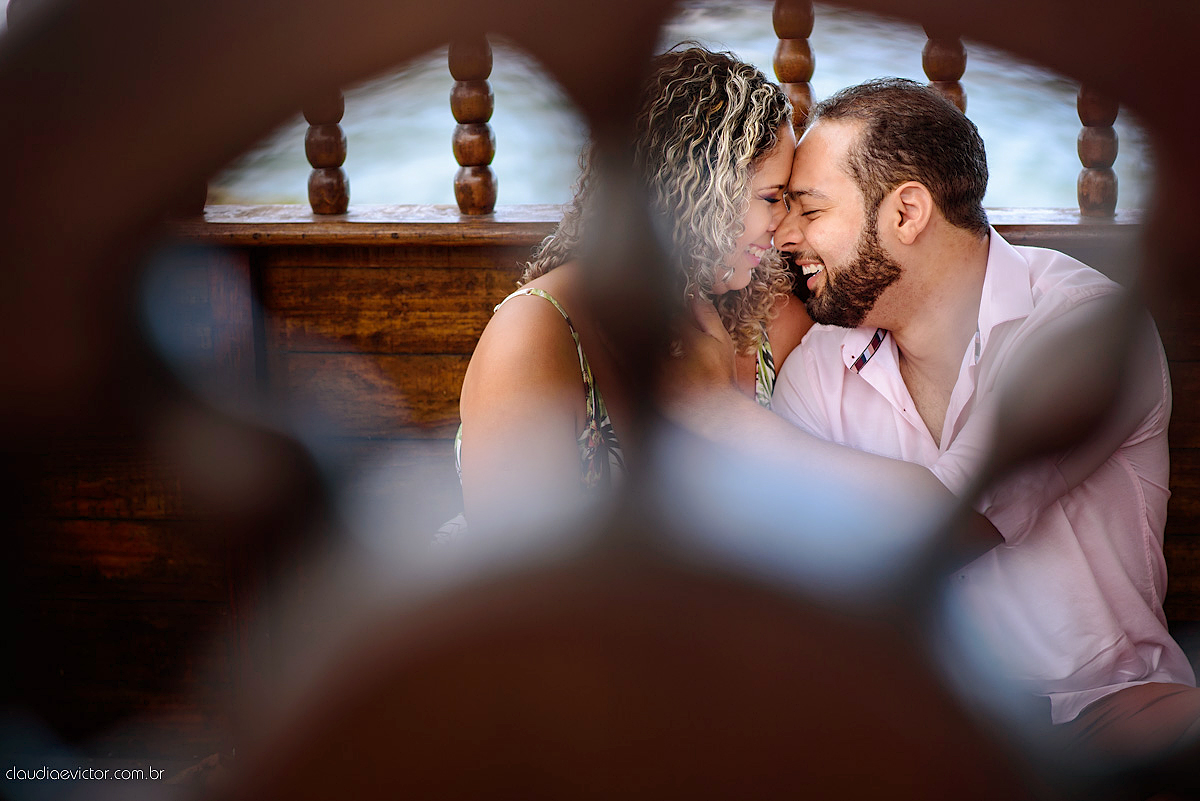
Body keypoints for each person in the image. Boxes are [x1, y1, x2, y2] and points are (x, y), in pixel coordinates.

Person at [757, 78, 1199, 767]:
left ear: (907, 212)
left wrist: (720, 420)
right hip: (915, 725)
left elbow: (957, 517)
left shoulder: (1081, 326)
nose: (786, 234)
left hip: (1104, 710)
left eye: (810, 209)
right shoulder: (819, 364)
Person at [445, 45, 811, 538]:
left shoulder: (771, 314)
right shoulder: (535, 339)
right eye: (771, 198)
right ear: (696, 194)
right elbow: (519, 587)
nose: (784, 223)